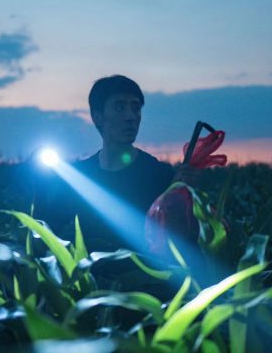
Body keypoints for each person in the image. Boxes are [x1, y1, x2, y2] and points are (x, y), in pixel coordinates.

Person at [38, 75, 198, 252]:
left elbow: (184, 242)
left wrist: (181, 198)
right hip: (94, 277)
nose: (131, 117)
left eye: (135, 108)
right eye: (120, 107)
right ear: (97, 117)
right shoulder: (80, 176)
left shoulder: (159, 175)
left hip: (146, 277)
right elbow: (47, 231)